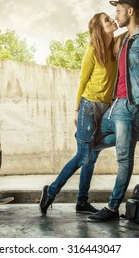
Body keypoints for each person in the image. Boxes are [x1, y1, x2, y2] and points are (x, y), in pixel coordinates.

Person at [86, 0, 139, 222]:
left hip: (133, 105)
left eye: (119, 11)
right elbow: (106, 42)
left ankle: (112, 207)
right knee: (91, 141)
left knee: (123, 158)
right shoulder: (127, 38)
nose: (116, 15)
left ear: (130, 11)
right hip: (117, 105)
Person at [39, 12, 119, 216]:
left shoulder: (115, 46)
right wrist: (76, 110)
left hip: (106, 107)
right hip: (89, 107)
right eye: (107, 20)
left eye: (112, 17)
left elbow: (132, 31)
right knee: (84, 156)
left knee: (96, 154)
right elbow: (82, 81)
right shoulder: (92, 51)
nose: (112, 20)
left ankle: (82, 202)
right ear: (100, 28)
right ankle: (52, 190)